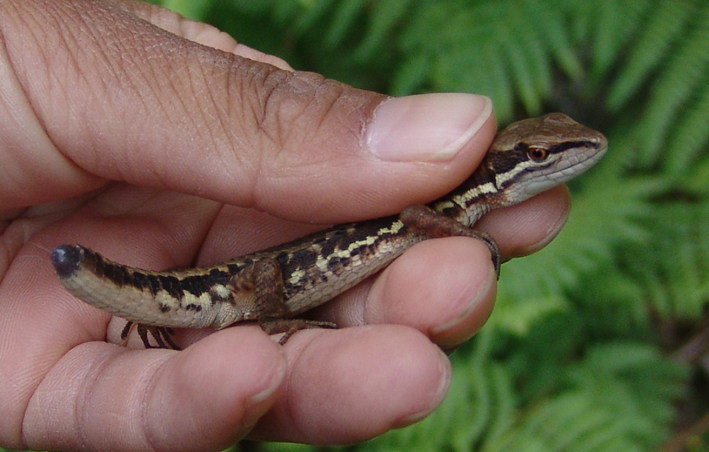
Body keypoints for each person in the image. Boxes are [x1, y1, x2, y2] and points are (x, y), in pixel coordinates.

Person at [0, 1, 572, 450]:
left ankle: (164, 300)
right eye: (545, 156)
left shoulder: (455, 204)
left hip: (221, 281)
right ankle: (254, 317)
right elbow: (413, 217)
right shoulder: (445, 207)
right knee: (214, 299)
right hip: (238, 288)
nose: (570, 155)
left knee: (205, 315)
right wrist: (471, 236)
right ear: (509, 167)